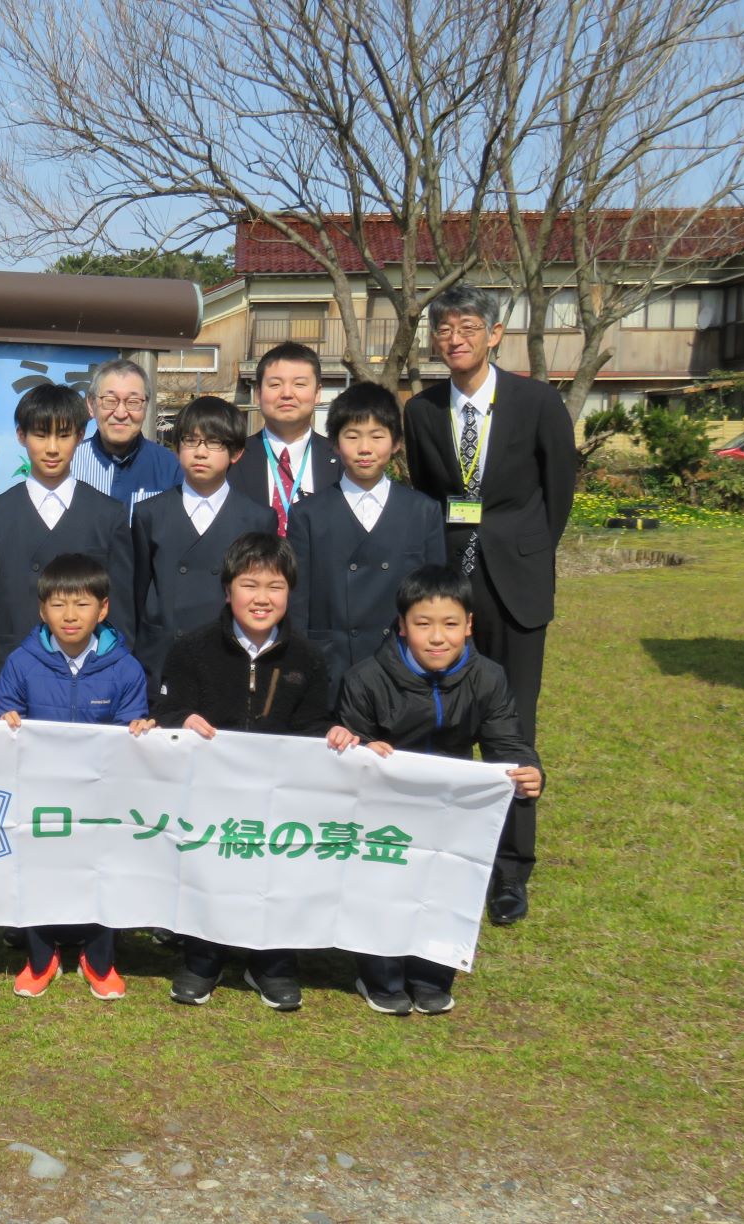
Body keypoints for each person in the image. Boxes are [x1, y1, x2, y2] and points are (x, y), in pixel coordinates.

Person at [402, 285, 576, 926]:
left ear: (494, 334)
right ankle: (444, 859)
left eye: (468, 327)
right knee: (438, 721)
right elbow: (427, 492)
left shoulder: (535, 401)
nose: (455, 339)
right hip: (449, 585)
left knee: (512, 728)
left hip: (517, 584)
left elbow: (558, 490)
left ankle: (510, 872)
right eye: (444, 330)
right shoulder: (421, 411)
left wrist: (523, 549)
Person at [333, 565, 544, 1016]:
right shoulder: (365, 678)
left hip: (452, 805)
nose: (437, 638)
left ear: (469, 626)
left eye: (450, 624)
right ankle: (380, 972)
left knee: (446, 879)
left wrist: (527, 771)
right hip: (386, 805)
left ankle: (432, 972)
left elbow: (507, 741)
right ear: (402, 626)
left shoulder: (488, 678)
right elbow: (349, 749)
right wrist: (367, 748)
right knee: (385, 880)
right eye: (423, 624)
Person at [141, 533, 334, 1012]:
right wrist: (181, 720)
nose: (262, 598)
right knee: (207, 866)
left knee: (277, 871)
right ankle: (202, 955)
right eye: (249, 585)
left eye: (275, 587)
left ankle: (272, 960)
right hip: (208, 796)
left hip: (278, 800)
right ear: (228, 590)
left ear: (290, 592)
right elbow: (165, 710)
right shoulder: (192, 649)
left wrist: (333, 737)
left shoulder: (307, 660)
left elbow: (313, 725)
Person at [0, 553, 150, 1000]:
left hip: (102, 796)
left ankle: (100, 959)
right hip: (40, 794)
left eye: (81, 604)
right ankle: (41, 957)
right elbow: (0, 719)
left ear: (103, 609)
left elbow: (131, 728)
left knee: (101, 869)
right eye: (58, 605)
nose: (70, 615)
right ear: (42, 611)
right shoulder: (22, 662)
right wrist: (6, 722)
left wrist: (138, 730)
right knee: (39, 870)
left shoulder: (125, 667)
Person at [0, 384, 134, 717]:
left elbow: (122, 607)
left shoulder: (108, 514)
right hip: (12, 677)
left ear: (81, 435)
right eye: (41, 435)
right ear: (20, 436)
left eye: (64, 435)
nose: (52, 448)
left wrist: (123, 675)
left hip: (92, 677)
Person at [288, 382, 447, 704]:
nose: (365, 448)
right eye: (352, 435)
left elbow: (435, 599)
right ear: (333, 444)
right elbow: (298, 601)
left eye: (377, 436)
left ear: (397, 443)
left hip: (403, 666)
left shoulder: (422, 511)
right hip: (331, 664)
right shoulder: (308, 514)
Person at [131, 395, 277, 689]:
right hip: (161, 660)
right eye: (190, 441)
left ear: (235, 453)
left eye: (213, 443)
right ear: (176, 448)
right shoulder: (150, 513)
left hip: (229, 657)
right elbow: (136, 591)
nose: (200, 452)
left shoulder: (258, 518)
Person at [226, 342, 341, 536]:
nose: (287, 394)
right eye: (275, 384)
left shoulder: (342, 458)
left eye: (299, 384)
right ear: (258, 394)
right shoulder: (232, 458)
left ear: (317, 393)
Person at [69, 357, 182, 514]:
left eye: (133, 401)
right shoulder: (70, 463)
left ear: (146, 406)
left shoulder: (169, 467)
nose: (121, 413)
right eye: (110, 400)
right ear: (90, 404)